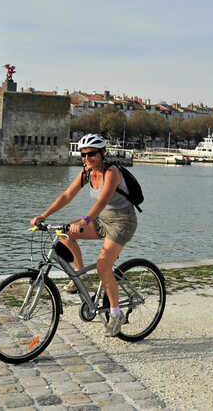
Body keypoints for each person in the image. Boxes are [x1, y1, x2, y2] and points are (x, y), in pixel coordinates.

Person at [31, 133, 137, 337]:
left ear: (103, 153)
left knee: (103, 265)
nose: (87, 158)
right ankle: (83, 277)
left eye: (92, 154)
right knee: (64, 232)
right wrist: (44, 215)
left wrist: (84, 221)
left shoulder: (112, 172)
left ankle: (116, 314)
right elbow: (67, 195)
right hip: (101, 219)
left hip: (123, 221)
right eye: (83, 155)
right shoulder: (86, 172)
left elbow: (102, 202)